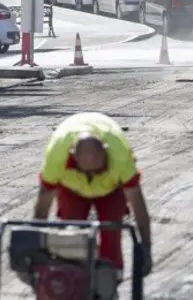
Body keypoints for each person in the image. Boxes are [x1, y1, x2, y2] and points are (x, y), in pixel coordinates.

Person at [33, 112, 153, 287]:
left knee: (111, 231)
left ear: (105, 153)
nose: (92, 177)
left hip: (111, 189)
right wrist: (35, 247)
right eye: (87, 172)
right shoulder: (57, 155)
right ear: (73, 156)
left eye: (97, 171)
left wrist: (146, 248)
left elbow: (138, 206)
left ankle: (109, 283)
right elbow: (42, 208)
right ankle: (72, 279)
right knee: (71, 234)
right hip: (72, 188)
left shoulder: (120, 157)